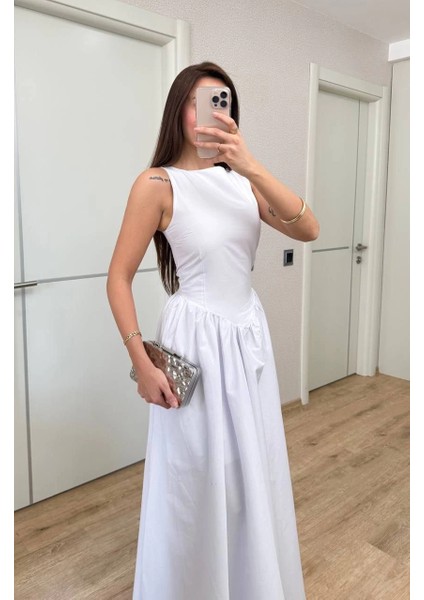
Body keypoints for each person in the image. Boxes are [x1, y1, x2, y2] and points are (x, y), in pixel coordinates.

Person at [106, 61, 319, 600]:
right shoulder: (157, 184)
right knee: (197, 472)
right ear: (180, 109)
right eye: (201, 102)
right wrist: (142, 362)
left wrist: (250, 165)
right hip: (195, 338)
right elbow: (118, 277)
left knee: (251, 468)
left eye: (223, 102)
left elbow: (309, 228)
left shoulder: (242, 182)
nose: (212, 114)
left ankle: (249, 582)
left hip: (247, 334)